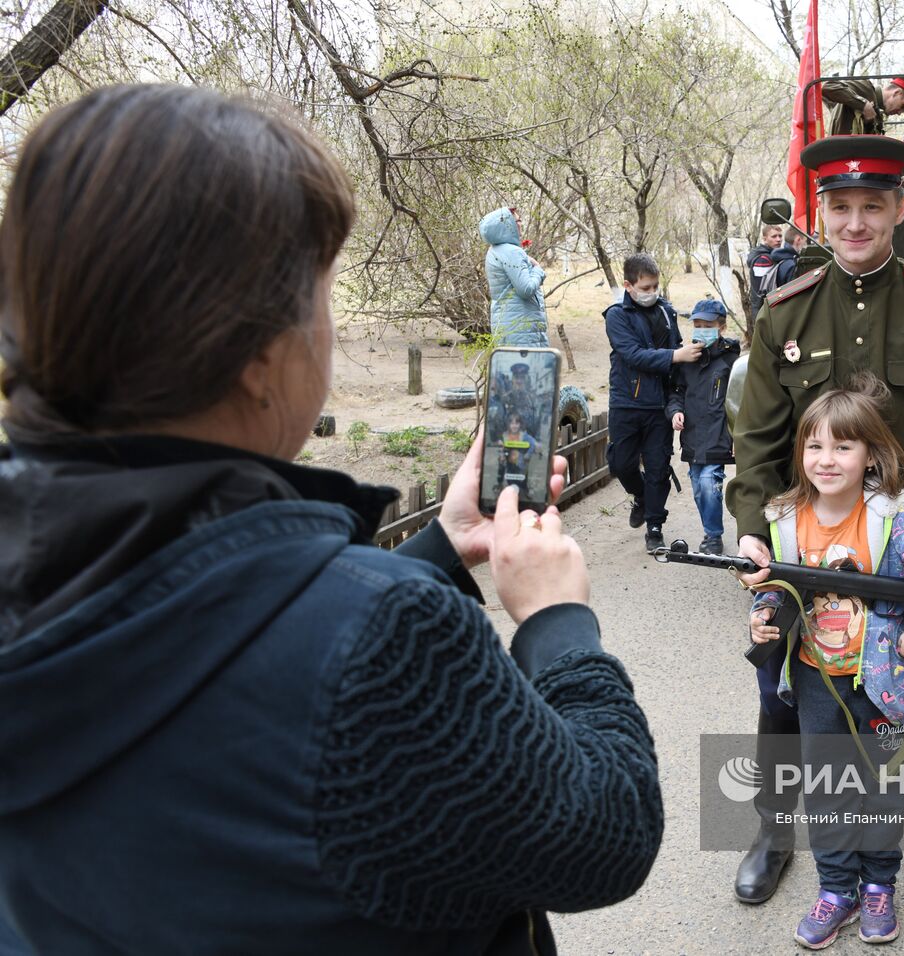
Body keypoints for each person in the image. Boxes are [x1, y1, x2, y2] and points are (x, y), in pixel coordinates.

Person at [0, 84, 663, 955]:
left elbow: (210, 627)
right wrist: (559, 622)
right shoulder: (390, 640)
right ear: (256, 353)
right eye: (321, 295)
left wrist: (432, 552)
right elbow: (603, 835)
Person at [727, 135, 904, 928]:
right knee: (784, 697)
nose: (855, 223)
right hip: (803, 558)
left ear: (899, 209)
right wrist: (756, 536)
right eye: (841, 208)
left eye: (871, 207)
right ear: (823, 212)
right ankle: (776, 831)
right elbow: (754, 445)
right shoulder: (785, 312)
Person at [747, 375, 904, 949]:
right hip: (812, 680)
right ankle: (836, 890)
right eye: (814, 446)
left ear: (871, 455)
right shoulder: (781, 518)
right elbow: (778, 590)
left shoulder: (895, 519)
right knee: (826, 788)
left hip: (886, 681)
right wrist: (761, 615)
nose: (826, 460)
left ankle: (879, 885)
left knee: (884, 787)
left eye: (843, 446)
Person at [605, 252, 700, 550]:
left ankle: (655, 526)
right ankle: (641, 496)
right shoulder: (617, 316)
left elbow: (677, 352)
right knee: (621, 463)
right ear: (628, 286)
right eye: (645, 288)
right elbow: (632, 354)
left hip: (659, 404)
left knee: (659, 467)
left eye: (655, 286)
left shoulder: (667, 312)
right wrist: (675, 356)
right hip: (626, 403)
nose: (651, 293)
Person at [666, 299, 742, 554]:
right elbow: (676, 392)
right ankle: (710, 530)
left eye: (708, 325)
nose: (701, 330)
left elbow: (739, 398)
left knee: (710, 482)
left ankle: (713, 536)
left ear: (721, 327)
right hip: (693, 436)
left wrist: (737, 435)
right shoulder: (687, 360)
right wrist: (675, 411)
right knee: (699, 488)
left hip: (719, 434)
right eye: (697, 325)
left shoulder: (731, 360)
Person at [480, 206, 549, 346]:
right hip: (522, 329)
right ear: (507, 225)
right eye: (518, 220)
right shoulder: (512, 252)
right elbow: (526, 289)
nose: (520, 224)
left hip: (507, 324)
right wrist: (538, 270)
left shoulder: (494, 251)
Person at [822, 75, 904, 136]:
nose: (900, 113)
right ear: (896, 93)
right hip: (841, 163)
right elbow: (828, 87)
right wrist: (863, 105)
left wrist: (868, 122)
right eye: (903, 106)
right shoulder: (865, 89)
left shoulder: (878, 117)